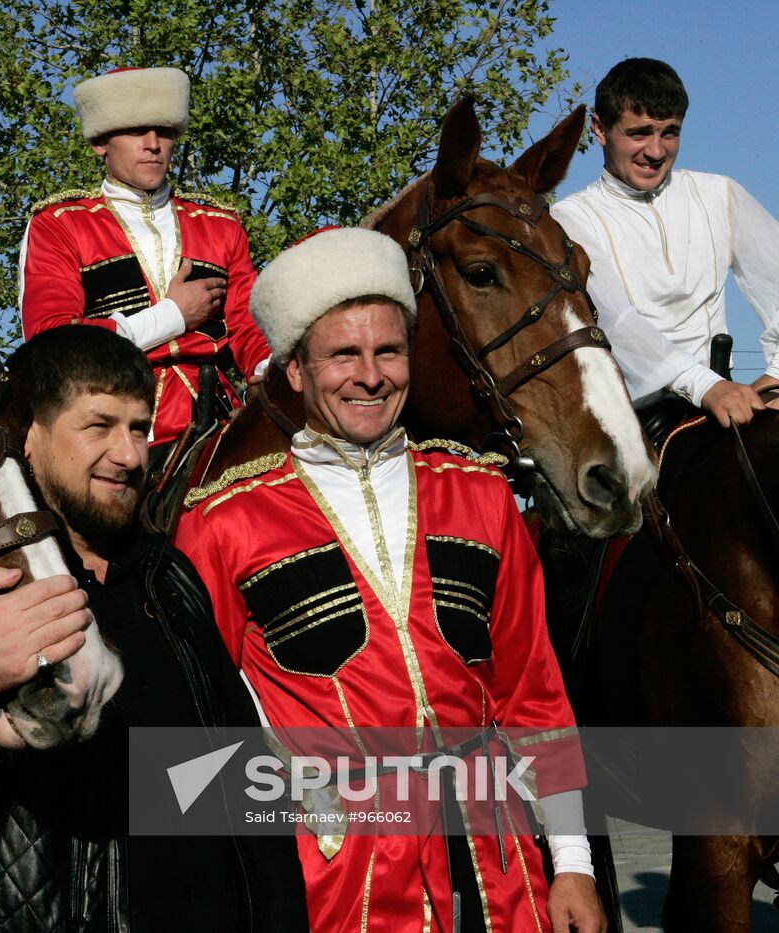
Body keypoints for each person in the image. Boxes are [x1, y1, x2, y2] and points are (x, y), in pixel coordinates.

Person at [174, 228, 606, 932]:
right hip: (333, 881)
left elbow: (535, 694)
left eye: (389, 351)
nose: (370, 375)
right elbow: (198, 734)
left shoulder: (483, 494)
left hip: (498, 869)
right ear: (295, 371)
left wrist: (573, 863)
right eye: (343, 353)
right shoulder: (224, 520)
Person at [0, 325, 305, 931]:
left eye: (140, 428)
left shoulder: (167, 576)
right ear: (27, 439)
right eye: (99, 425)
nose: (129, 454)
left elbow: (247, 787)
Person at [19, 66, 268, 448]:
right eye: (137, 131)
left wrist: (275, 372)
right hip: (104, 427)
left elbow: (250, 330)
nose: (154, 144)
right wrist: (172, 316)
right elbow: (52, 343)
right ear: (100, 143)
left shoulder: (221, 225)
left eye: (164, 132)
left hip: (216, 422)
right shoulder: (59, 224)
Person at [553, 57, 779, 430]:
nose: (656, 151)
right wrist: (706, 385)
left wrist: (773, 375)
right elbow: (618, 323)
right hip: (630, 421)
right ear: (599, 129)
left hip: (722, 407)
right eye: (639, 133)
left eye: (669, 132)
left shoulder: (718, 194)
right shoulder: (572, 218)